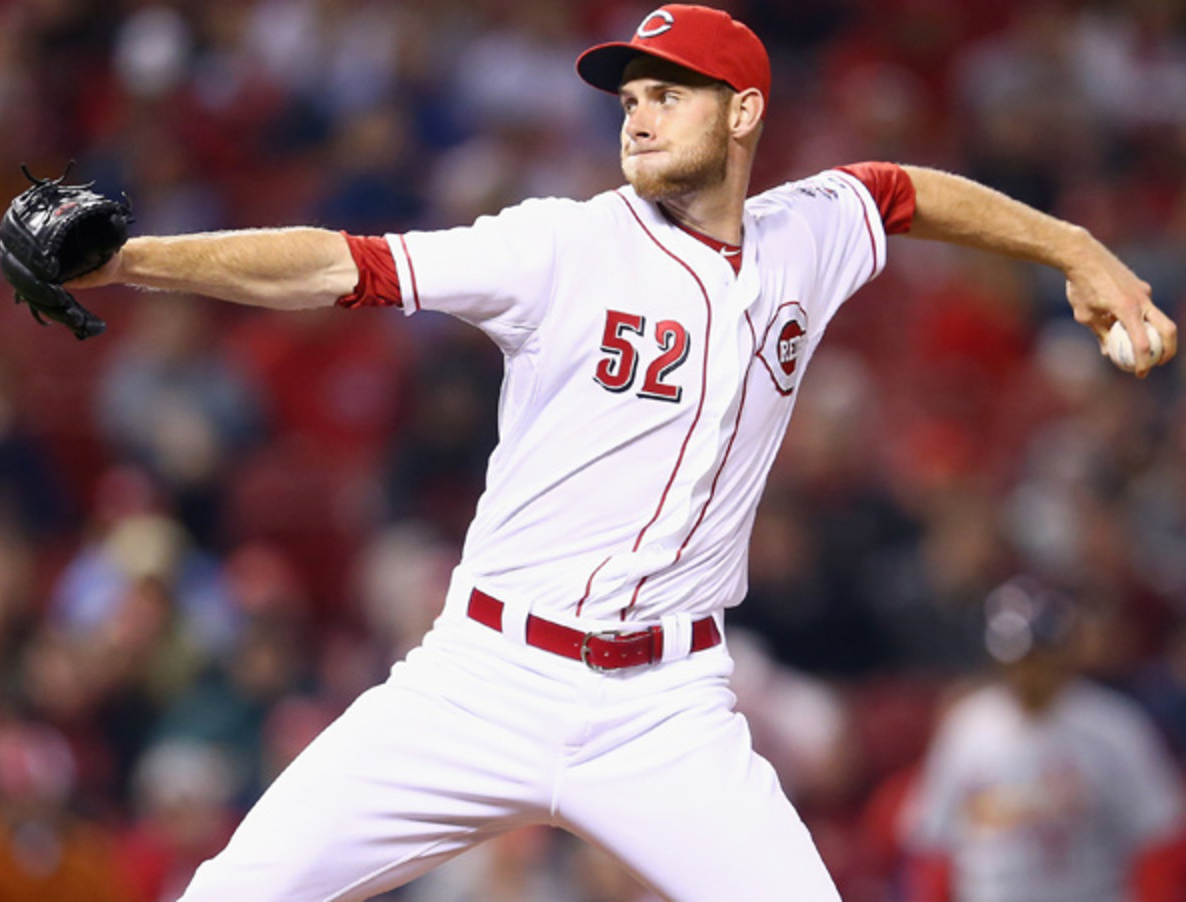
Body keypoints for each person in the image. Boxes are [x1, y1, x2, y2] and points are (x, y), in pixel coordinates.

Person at [66, 5, 1178, 899]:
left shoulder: (811, 232)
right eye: (630, 97)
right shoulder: (559, 242)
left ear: (743, 112)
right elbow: (336, 263)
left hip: (666, 703)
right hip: (483, 679)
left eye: (668, 93)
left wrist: (1070, 245)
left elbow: (908, 192)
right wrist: (132, 261)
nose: (637, 117)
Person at [899, 575, 1186, 901]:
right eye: (1018, 660)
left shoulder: (1113, 725)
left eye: (1038, 656)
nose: (1029, 670)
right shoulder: (967, 727)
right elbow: (932, 843)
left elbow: (1160, 835)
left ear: (1063, 652)